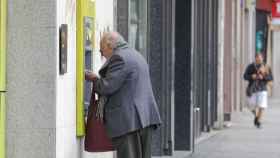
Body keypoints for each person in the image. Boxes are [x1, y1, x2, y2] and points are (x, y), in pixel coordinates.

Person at [85, 31, 162, 158]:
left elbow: (107, 87)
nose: (102, 55)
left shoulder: (119, 58)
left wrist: (94, 79)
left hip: (129, 121)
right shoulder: (136, 55)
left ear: (110, 46)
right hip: (144, 118)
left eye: (101, 50)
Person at [243, 53, 273, 128]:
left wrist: (263, 77)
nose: (259, 60)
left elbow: (271, 78)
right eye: (257, 58)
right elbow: (245, 76)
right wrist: (251, 76)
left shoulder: (266, 67)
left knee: (262, 106)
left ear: (262, 58)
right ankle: (256, 116)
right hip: (252, 89)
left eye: (260, 58)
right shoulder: (251, 66)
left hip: (262, 88)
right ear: (255, 58)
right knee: (250, 105)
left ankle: (258, 121)